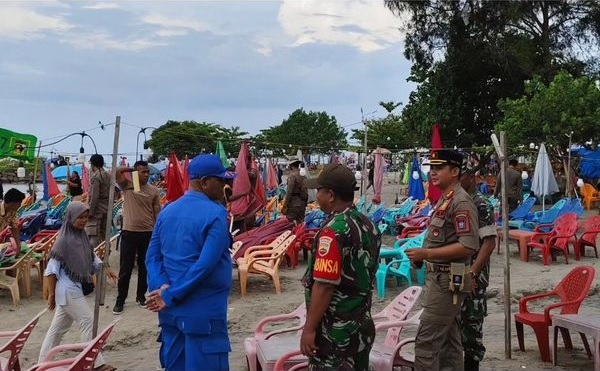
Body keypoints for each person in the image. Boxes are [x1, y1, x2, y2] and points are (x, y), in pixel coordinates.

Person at [145, 154, 235, 371]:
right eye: (221, 180)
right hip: (203, 313)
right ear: (204, 182)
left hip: (170, 313)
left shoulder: (167, 211)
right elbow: (205, 265)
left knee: (174, 364)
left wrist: (161, 287)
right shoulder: (216, 214)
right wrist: (170, 294)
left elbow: (152, 257)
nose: (225, 185)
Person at [300, 164, 381, 370]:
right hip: (360, 325)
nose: (316, 195)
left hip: (334, 332)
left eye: (319, 190)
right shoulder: (368, 224)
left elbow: (324, 285)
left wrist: (309, 329)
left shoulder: (333, 231)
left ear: (330, 195)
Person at [405, 150, 479, 371]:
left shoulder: (460, 202)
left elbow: (468, 245)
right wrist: (423, 257)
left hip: (448, 281)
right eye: (431, 168)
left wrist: (426, 254)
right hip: (439, 278)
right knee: (449, 342)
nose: (433, 173)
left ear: (455, 171)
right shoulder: (446, 200)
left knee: (426, 343)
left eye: (439, 168)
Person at [38, 201, 117, 371]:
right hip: (67, 291)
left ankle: (42, 363)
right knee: (88, 321)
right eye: (80, 217)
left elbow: (91, 256)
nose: (83, 220)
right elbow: (51, 271)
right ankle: (96, 363)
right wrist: (51, 296)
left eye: (86, 217)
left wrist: (105, 267)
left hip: (73, 290)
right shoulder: (63, 241)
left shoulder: (82, 238)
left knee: (57, 329)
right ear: (71, 217)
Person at [459, 166, 497, 371]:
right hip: (456, 274)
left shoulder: (480, 203)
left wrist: (473, 272)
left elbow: (489, 243)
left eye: (461, 175)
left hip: (474, 276)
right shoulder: (455, 200)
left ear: (472, 178)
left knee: (472, 330)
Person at [113, 160, 161, 314]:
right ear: (135, 173)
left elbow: (157, 212)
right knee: (125, 268)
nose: (146, 174)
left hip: (147, 232)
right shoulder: (128, 185)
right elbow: (116, 171)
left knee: (144, 266)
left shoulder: (153, 190)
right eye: (143, 172)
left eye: (148, 172)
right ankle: (120, 301)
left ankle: (141, 297)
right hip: (129, 232)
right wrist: (132, 169)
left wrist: (158, 230)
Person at [86, 154, 111, 248]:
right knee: (105, 236)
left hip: (97, 210)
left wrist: (90, 212)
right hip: (107, 209)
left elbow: (94, 196)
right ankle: (105, 257)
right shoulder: (108, 175)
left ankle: (94, 258)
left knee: (94, 235)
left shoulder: (96, 177)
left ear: (92, 164)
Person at [0, 189, 26, 258]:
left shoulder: (13, 211)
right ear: (12, 203)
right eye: (19, 203)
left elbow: (14, 227)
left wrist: (18, 245)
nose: (20, 205)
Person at [282, 159, 308, 223]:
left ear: (291, 166)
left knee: (288, 223)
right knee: (300, 224)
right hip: (302, 203)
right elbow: (306, 191)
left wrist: (285, 205)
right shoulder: (303, 176)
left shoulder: (292, 176)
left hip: (294, 204)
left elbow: (289, 192)